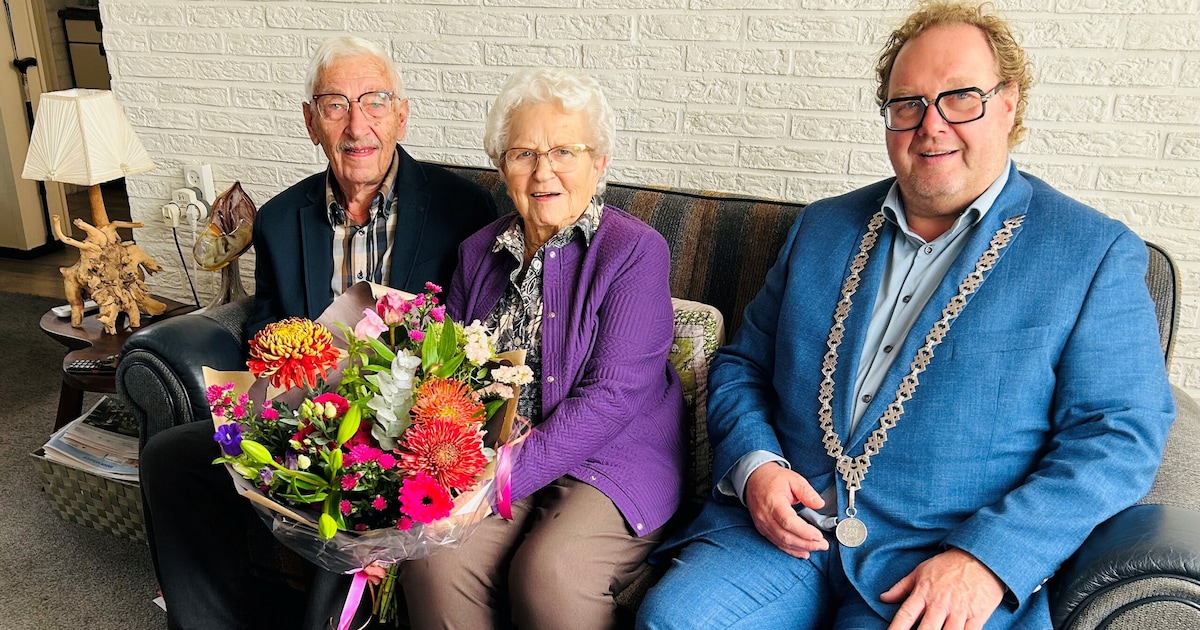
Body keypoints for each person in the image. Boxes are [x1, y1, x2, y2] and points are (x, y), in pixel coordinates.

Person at [637, 2, 1176, 629]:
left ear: (1009, 103)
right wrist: (756, 466)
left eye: (961, 98)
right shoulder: (822, 228)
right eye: (909, 104)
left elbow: (1119, 434)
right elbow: (741, 366)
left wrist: (988, 561)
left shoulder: (1090, 252)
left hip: (939, 558)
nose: (932, 124)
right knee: (674, 619)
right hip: (784, 536)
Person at [138, 35, 496, 630]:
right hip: (307, 423)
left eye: (375, 101)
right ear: (311, 122)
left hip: (410, 436)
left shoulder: (465, 209)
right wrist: (275, 397)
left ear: (401, 112)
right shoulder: (279, 219)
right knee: (169, 457)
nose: (358, 125)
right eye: (335, 105)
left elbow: (475, 336)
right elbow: (268, 329)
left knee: (345, 498)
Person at [394, 67, 687, 629]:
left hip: (612, 460)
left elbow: (613, 396)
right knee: (434, 557)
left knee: (550, 572)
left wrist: (499, 480)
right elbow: (447, 375)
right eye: (524, 153)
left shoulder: (634, 252)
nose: (543, 171)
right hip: (495, 452)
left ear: (598, 163)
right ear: (502, 166)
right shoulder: (479, 252)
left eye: (564, 152)